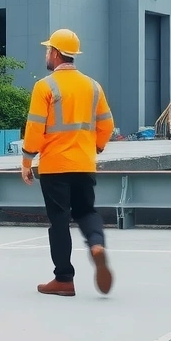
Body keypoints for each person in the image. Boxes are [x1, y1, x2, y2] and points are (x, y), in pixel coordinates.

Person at [20, 29, 115, 297]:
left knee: (59, 220)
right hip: (84, 163)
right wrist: (95, 146)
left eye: (47, 49)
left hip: (55, 165)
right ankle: (96, 245)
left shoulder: (45, 86)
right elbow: (107, 125)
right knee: (86, 211)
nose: (46, 54)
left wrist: (27, 160)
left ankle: (64, 278)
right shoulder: (93, 86)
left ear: (55, 52)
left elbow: (35, 127)